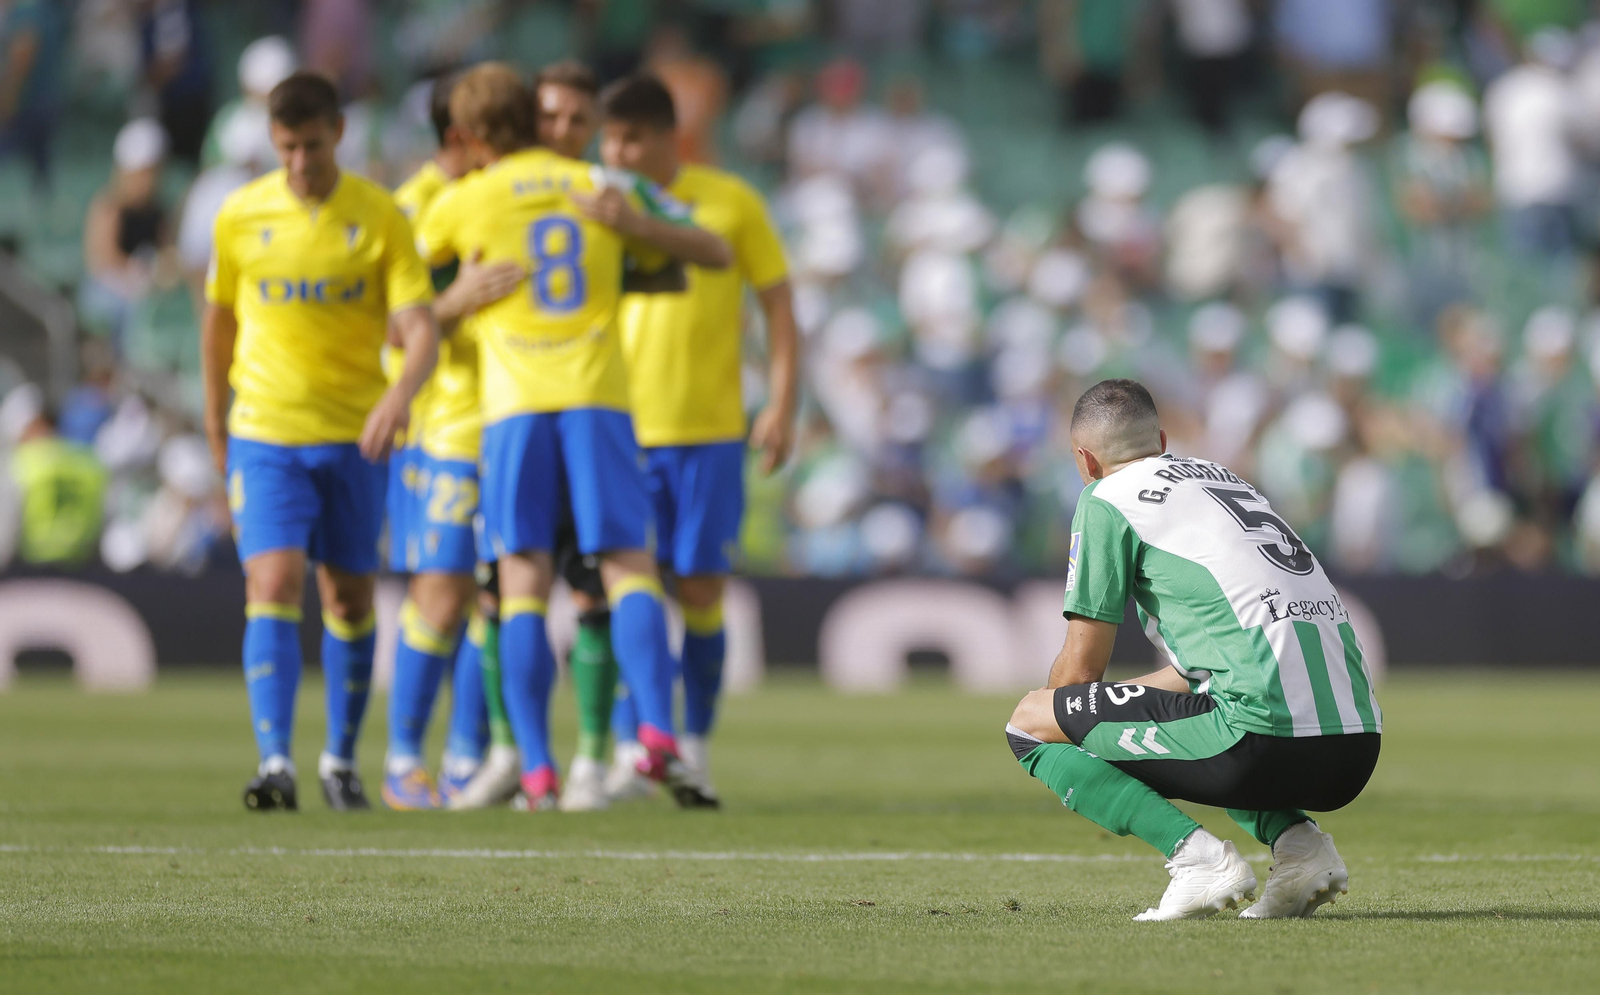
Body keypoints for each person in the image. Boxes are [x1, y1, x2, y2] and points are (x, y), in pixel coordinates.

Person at [412, 63, 731, 810]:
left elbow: (409, 290)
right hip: (597, 401)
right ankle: (655, 730)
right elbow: (714, 251)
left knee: (518, 583)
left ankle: (535, 766)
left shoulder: (466, 198)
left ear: (472, 135)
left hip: (512, 411)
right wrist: (635, 228)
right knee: (627, 567)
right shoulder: (599, 186)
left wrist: (453, 298)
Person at [1006, 379, 1381, 921]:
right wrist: (1117, 706)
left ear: (1085, 461)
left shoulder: (1106, 497)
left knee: (1029, 723)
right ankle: (1302, 849)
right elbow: (1195, 671)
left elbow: (1080, 670)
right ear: (1161, 439)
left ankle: (1198, 861)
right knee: (1203, 702)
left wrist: (1065, 724)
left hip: (1262, 741)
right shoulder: (1227, 480)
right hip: (1355, 747)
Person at [201, 72, 440, 813]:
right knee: (271, 582)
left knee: (349, 595)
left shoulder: (380, 217)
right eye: (286, 149)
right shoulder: (239, 217)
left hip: (355, 437)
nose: (300, 162)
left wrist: (401, 393)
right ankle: (276, 761)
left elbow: (421, 324)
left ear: (338, 131)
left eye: (311, 145)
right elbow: (218, 326)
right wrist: (216, 422)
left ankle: (340, 758)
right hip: (266, 432)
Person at [595, 73, 800, 808]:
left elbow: (778, 303)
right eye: (607, 138)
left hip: (710, 432)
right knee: (631, 591)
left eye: (628, 138)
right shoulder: (593, 207)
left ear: (663, 137)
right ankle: (634, 748)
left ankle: (697, 749)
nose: (614, 152)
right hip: (617, 428)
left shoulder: (730, 200)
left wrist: (780, 402)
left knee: (702, 591)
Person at [381, 72, 527, 811]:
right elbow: (380, 322)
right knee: (441, 591)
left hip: (509, 411)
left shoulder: (505, 193)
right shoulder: (411, 209)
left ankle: (467, 755)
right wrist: (452, 302)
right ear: (458, 139)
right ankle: (404, 756)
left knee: (493, 593)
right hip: (445, 420)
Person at [81, 118, 176, 348]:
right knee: (130, 309)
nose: (147, 180)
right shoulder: (109, 207)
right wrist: (136, 271)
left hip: (143, 286)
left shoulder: (159, 209)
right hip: (108, 289)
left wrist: (160, 271)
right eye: (142, 172)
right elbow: (102, 259)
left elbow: (167, 251)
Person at [6, 388, 109, 566]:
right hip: (84, 568)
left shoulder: (18, 464)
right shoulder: (91, 462)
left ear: (37, 423)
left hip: (29, 569)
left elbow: (7, 527)